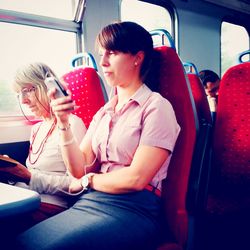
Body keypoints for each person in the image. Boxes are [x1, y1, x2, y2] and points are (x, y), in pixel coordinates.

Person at [14, 21, 180, 250]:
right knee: (21, 242)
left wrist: (89, 181)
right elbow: (77, 170)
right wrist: (63, 123)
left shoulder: (157, 107)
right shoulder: (104, 113)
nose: (102, 62)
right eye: (102, 54)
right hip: (90, 201)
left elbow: (136, 179)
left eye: (112, 53)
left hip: (135, 208)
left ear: (137, 58)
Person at [0, 62, 86, 228]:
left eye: (27, 90)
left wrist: (29, 177)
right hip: (24, 197)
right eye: (19, 94)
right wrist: (13, 173)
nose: (24, 100)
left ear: (45, 87)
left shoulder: (73, 124)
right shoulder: (36, 128)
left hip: (49, 206)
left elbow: (78, 184)